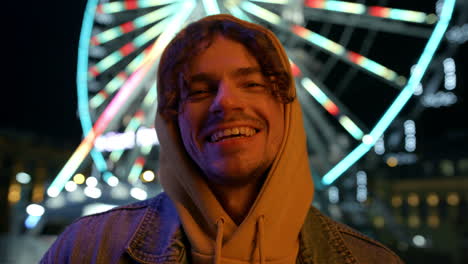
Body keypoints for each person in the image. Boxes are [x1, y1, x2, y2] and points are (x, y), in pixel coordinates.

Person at [41, 14, 404, 264]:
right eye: (199, 91)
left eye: (252, 84)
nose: (226, 102)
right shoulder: (89, 250)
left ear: (286, 108)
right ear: (171, 119)